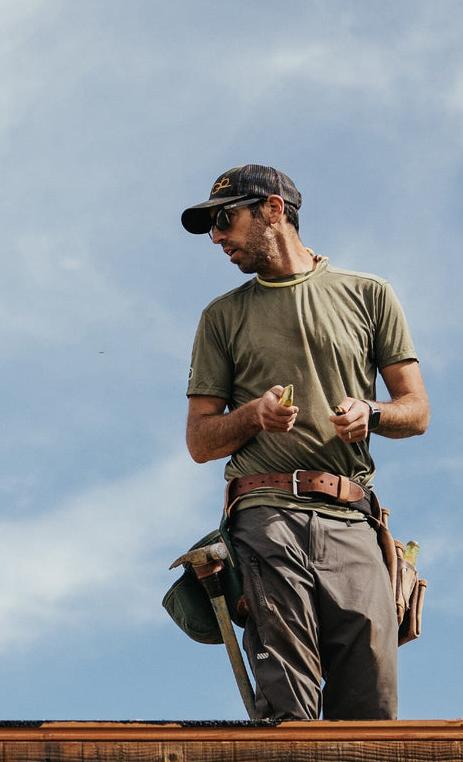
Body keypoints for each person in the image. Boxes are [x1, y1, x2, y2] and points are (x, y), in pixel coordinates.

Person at [182, 164, 429, 720]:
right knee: (286, 703)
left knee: (371, 702)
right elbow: (200, 441)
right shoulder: (220, 318)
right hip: (266, 515)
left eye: (225, 219)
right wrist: (253, 415)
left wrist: (372, 411)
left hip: (352, 518)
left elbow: (416, 411)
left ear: (274, 210)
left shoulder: (368, 295)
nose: (217, 236)